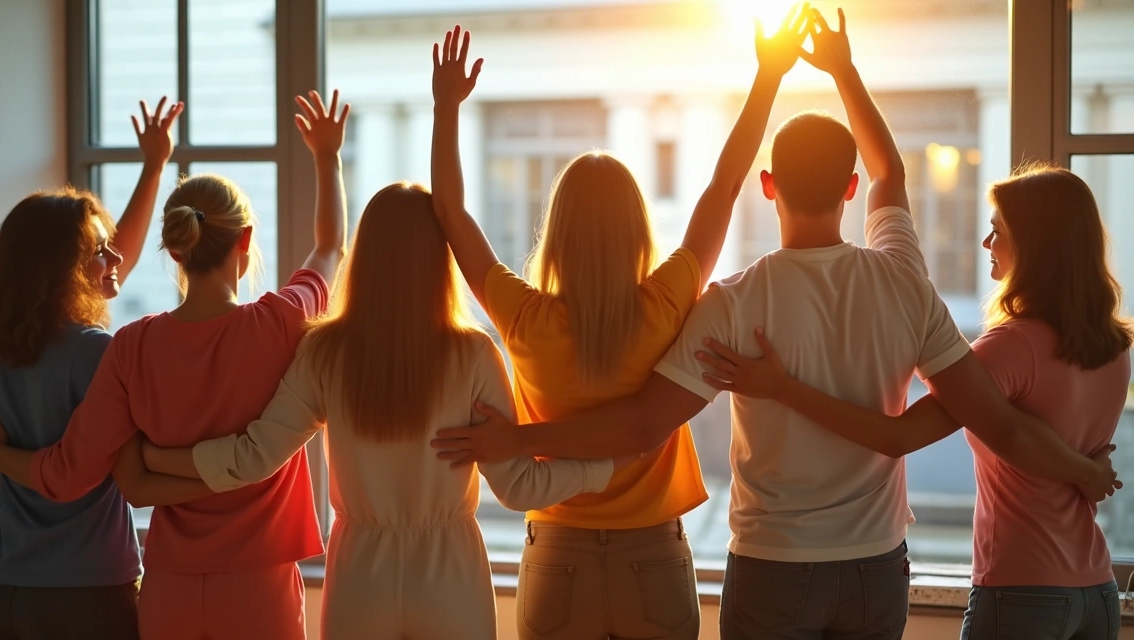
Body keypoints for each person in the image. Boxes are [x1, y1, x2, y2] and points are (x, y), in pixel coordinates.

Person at [429, 9, 1121, 640]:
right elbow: (887, 172)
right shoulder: (900, 277)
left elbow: (641, 423)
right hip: (875, 563)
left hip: (762, 563)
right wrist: (839, 69)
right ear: (848, 188)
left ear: (771, 186)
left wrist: (517, 438)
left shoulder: (730, 303)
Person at [426, 12, 811, 638]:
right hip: (651, 553)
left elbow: (449, 212)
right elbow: (724, 183)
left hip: (557, 553)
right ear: (636, 230)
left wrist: (446, 109)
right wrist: (767, 76)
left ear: (558, 234)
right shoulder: (665, 304)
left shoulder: (523, 317)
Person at [141, 180, 621, 639]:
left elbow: (253, 458)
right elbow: (519, 487)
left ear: (365, 254)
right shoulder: (474, 354)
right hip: (449, 577)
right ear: (442, 258)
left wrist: (159, 458)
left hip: (359, 581)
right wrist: (606, 465)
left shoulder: (324, 351)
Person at [696, 164, 1131, 640]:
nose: (987, 244)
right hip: (1098, 589)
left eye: (997, 231)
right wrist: (1086, 472)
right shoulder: (1114, 347)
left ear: (1037, 247)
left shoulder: (1011, 347)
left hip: (1025, 590)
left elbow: (897, 435)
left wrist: (784, 387)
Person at [0, 89, 350, 640]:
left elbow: (87, 475)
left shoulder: (132, 345)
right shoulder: (281, 321)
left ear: (175, 250)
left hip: (169, 585)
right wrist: (326, 156)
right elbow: (330, 248)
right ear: (244, 241)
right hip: (258, 583)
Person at [0, 98, 182, 640]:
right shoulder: (97, 352)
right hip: (88, 597)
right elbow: (120, 471)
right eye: (101, 251)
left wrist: (152, 168)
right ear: (67, 270)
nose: (117, 258)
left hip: (2, 592)